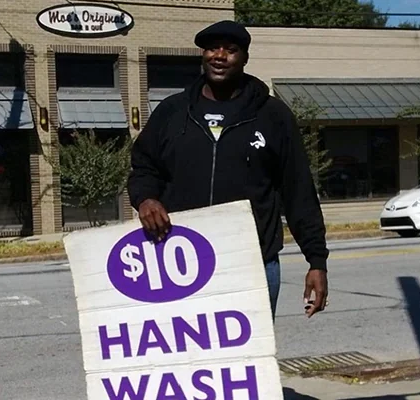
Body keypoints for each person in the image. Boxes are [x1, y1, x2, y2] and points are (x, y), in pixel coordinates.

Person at [127, 20, 329, 320]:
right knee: (184, 361)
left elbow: (298, 190)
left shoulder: (273, 116)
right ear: (202, 55)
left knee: (248, 364)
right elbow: (144, 167)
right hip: (180, 264)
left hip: (252, 265)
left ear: (245, 58)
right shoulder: (172, 112)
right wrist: (145, 199)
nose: (219, 56)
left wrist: (316, 260)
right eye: (211, 48)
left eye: (230, 50)